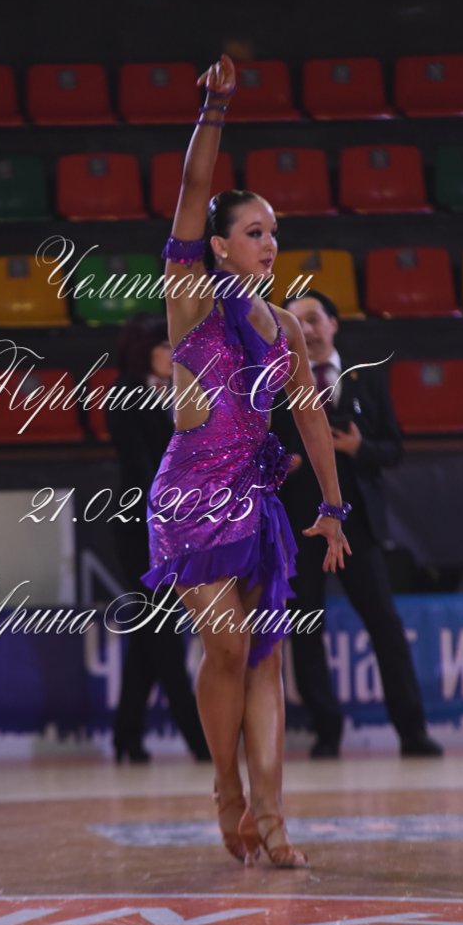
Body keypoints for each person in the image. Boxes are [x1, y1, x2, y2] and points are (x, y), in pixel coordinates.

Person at [139, 53, 352, 869]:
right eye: (254, 231)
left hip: (254, 498)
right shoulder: (190, 296)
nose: (269, 243)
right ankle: (226, 787)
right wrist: (214, 110)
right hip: (189, 497)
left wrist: (331, 506)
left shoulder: (286, 327)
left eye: (274, 232)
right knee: (226, 646)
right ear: (220, 245)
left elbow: (310, 417)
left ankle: (274, 816)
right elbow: (193, 186)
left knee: (266, 655)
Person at [273, 289, 443, 760]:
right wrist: (284, 464)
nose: (306, 330)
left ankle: (412, 730)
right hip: (302, 525)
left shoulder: (366, 378)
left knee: (385, 624)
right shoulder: (276, 382)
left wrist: (357, 449)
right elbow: (264, 448)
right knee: (307, 628)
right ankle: (326, 732)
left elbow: (393, 448)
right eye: (296, 322)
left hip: (358, 526)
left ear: (333, 323)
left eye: (313, 318)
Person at [106, 313, 210, 764]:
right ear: (143, 350)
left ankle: (126, 734)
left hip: (176, 523)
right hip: (141, 526)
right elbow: (141, 466)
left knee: (151, 634)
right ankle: (200, 742)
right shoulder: (125, 394)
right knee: (164, 634)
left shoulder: (177, 392)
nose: (174, 354)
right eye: (164, 346)